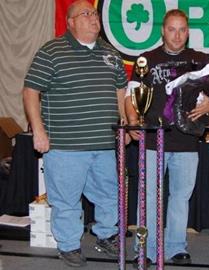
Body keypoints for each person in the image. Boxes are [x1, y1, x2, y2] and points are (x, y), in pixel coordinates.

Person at [22, 0, 128, 267]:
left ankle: (106, 236)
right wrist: (38, 131)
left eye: (95, 14)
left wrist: (124, 123)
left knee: (110, 194)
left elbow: (120, 91)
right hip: (65, 146)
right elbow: (30, 91)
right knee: (66, 200)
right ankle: (68, 245)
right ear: (70, 22)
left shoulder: (111, 53)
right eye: (86, 14)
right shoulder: (51, 51)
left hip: (104, 144)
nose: (94, 18)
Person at [125, 9, 209, 265]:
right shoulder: (146, 59)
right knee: (148, 198)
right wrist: (133, 121)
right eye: (171, 29)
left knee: (180, 196)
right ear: (162, 31)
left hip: (188, 141)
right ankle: (144, 249)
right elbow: (131, 95)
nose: (177, 35)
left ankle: (176, 246)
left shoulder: (200, 60)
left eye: (182, 30)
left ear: (188, 32)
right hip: (153, 140)